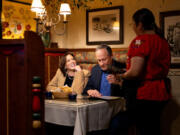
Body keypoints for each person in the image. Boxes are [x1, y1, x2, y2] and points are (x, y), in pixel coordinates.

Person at [111, 8, 171, 135]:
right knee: (154, 128)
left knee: (143, 130)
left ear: (140, 24)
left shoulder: (140, 41)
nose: (133, 27)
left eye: (133, 24)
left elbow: (135, 72)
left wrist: (121, 76)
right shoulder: (162, 41)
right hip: (162, 91)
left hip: (145, 93)